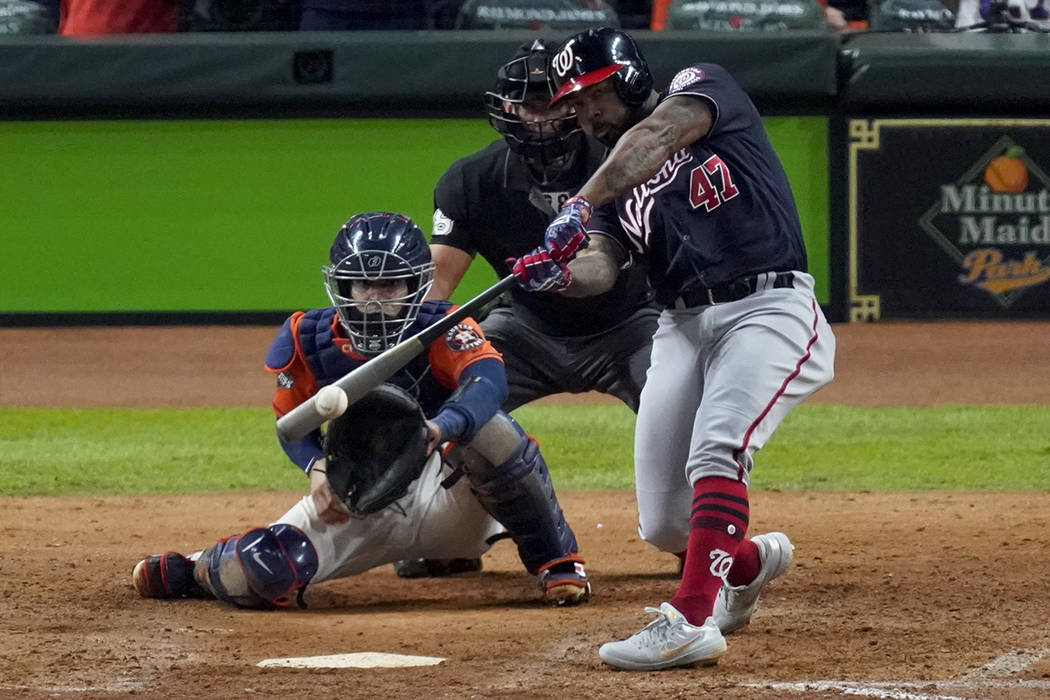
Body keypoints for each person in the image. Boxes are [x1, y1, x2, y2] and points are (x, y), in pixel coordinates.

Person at [509, 28, 836, 669]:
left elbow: (656, 138)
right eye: (573, 105)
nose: (584, 114)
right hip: (681, 324)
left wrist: (578, 202)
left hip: (766, 306)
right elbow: (603, 266)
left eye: (590, 96)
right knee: (663, 523)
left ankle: (687, 622)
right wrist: (559, 278)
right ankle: (744, 565)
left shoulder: (700, 90)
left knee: (717, 450)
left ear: (628, 77)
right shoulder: (612, 187)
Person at [132, 212, 590, 609]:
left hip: (452, 492)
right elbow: (291, 424)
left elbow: (488, 384)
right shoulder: (307, 338)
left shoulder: (443, 326)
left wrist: (440, 426)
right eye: (362, 283)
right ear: (342, 285)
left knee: (492, 431)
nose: (373, 297)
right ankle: (198, 568)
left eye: (389, 284)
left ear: (416, 285)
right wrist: (315, 469)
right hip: (358, 499)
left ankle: (555, 561)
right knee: (260, 571)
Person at [396, 38, 660, 579]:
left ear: (578, 102)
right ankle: (455, 534)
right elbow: (436, 289)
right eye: (529, 104)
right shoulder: (469, 180)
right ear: (507, 109)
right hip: (524, 329)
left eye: (557, 102)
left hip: (631, 324)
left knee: (679, 412)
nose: (543, 118)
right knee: (444, 401)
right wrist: (404, 365)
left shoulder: (622, 159)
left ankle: (696, 534)